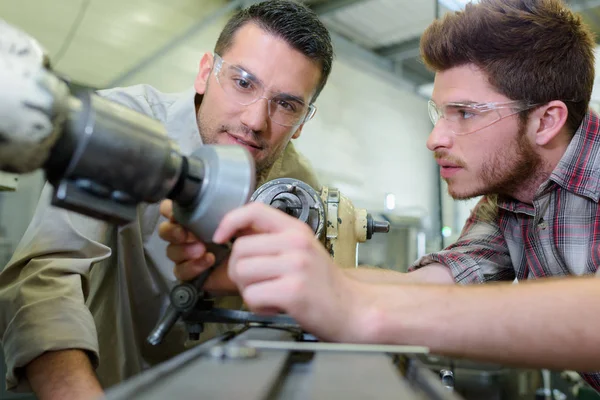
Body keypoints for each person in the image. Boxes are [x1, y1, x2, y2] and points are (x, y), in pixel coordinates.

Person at [160, 0, 600, 392]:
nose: (435, 138)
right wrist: (259, 271)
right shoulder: (508, 202)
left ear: (546, 122)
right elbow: (431, 287)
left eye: (464, 113)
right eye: (440, 112)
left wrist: (366, 310)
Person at [0, 1, 333, 398]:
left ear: (301, 123)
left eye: (287, 105)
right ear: (206, 73)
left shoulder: (299, 190)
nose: (254, 120)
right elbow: (47, 276)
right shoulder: (119, 125)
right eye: (243, 82)